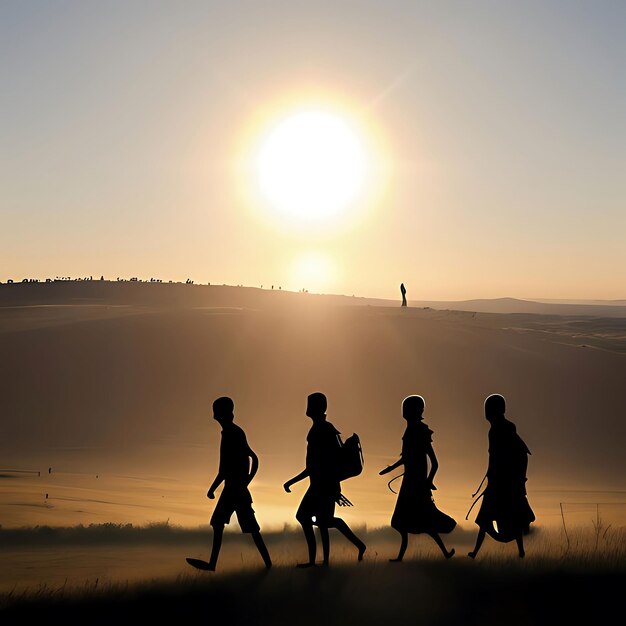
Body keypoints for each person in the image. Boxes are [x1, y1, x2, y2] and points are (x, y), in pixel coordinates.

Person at [284, 392, 366, 567]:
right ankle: (328, 558)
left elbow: (314, 466)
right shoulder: (325, 429)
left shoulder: (320, 431)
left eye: (310, 405)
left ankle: (317, 561)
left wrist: (291, 482)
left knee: (307, 517)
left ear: (314, 408)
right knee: (324, 521)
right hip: (324, 484)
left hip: (323, 485)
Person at [380, 395, 456, 561]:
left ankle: (443, 552)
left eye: (407, 408)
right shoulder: (409, 430)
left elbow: (435, 463)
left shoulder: (420, 431)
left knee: (422, 522)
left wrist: (428, 481)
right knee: (402, 521)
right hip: (409, 483)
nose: (404, 411)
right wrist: (391, 468)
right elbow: (406, 457)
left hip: (416, 485)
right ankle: (402, 556)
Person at [200, 396, 272, 571]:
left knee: (244, 527)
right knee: (221, 523)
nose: (214, 415)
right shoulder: (232, 432)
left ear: (223, 413)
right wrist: (245, 481)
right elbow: (252, 458)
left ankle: (268, 565)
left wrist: (213, 489)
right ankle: (213, 564)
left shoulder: (232, 433)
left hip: (234, 490)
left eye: (216, 411)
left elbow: (225, 468)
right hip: (234, 488)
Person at [467, 393, 535, 559]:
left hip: (501, 482)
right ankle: (519, 551)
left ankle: (478, 552)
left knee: (486, 518)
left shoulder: (498, 430)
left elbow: (498, 455)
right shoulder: (505, 428)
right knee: (505, 516)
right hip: (503, 480)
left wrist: (496, 474)